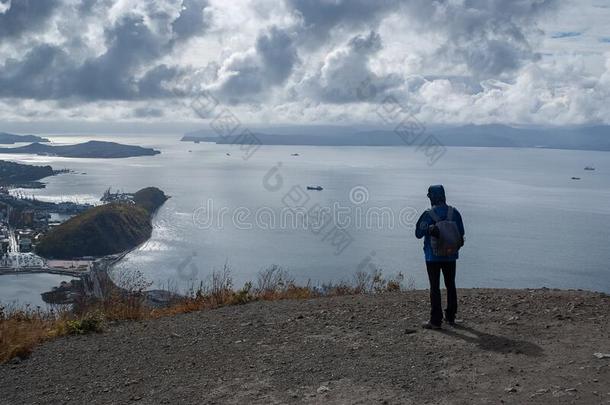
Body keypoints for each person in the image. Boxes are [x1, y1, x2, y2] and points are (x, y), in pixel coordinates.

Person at [415, 185, 465, 329]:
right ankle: (451, 317)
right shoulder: (454, 212)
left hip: (432, 257)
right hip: (450, 255)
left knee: (435, 287)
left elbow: (418, 233)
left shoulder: (428, 214)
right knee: (450, 284)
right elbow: (461, 233)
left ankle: (435, 320)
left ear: (432, 197)